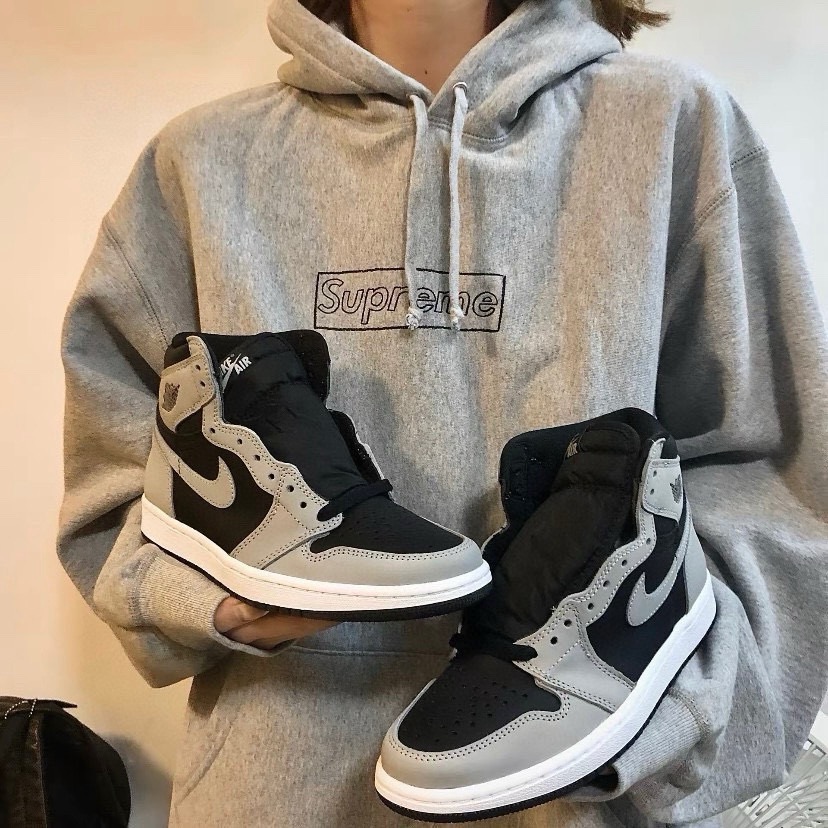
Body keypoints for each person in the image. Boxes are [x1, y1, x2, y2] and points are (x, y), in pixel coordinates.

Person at [58, 0, 828, 825]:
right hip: (273, 791)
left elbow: (774, 489)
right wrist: (219, 608)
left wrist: (650, 731)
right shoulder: (199, 160)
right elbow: (121, 474)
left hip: (578, 802)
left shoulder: (674, 126)